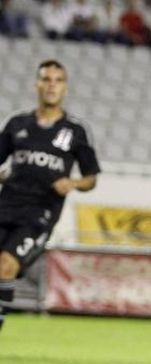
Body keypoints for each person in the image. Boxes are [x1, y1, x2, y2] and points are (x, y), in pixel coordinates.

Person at [0, 60, 100, 332]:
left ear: (65, 88)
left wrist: (74, 183)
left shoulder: (76, 131)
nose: (51, 85)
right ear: (37, 85)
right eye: (46, 79)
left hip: (39, 214)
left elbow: (91, 178)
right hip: (5, 205)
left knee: (6, 265)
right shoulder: (17, 124)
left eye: (57, 80)